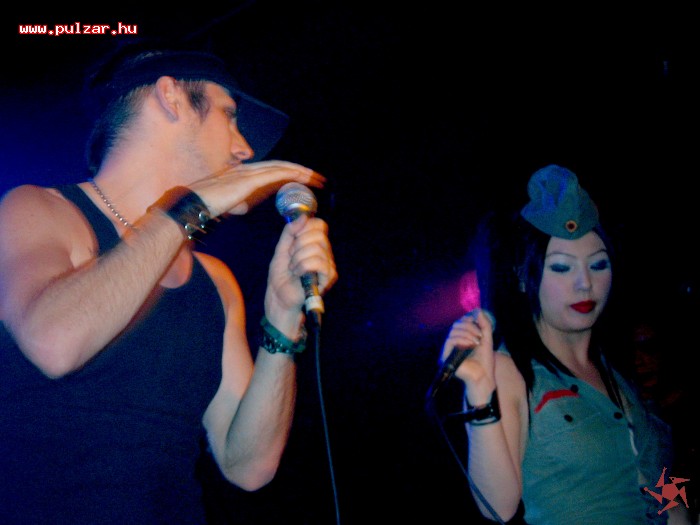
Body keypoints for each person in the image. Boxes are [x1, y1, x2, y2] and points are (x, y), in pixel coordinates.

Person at [0, 39, 338, 524]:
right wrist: (190, 206)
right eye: (229, 115)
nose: (244, 149)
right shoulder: (38, 210)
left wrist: (283, 319)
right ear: (171, 97)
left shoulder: (215, 282)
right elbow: (54, 342)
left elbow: (248, 465)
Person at [438, 165, 694, 524]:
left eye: (598, 265)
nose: (584, 283)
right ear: (525, 277)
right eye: (562, 267)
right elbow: (497, 506)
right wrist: (480, 391)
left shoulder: (618, 373)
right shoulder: (511, 369)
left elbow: (659, 484)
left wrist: (684, 511)